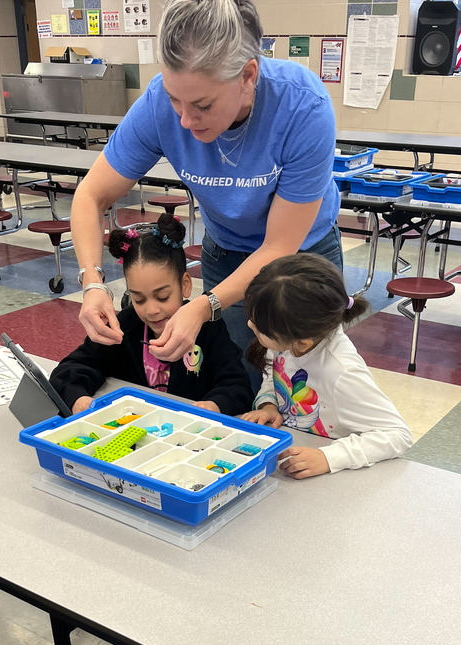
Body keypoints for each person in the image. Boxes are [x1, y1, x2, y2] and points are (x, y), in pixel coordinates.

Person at [69, 0, 342, 383]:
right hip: (227, 250)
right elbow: (90, 196)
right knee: (242, 379)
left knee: (309, 384)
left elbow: (279, 247)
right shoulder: (158, 108)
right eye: (173, 98)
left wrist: (202, 306)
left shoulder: (302, 107)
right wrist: (92, 283)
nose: (184, 119)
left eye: (202, 104)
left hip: (300, 257)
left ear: (248, 75)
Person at [50, 214, 253, 417]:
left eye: (163, 297)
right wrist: (78, 400)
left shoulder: (209, 329)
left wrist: (214, 405)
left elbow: (238, 388)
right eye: (139, 299)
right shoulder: (125, 328)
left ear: (185, 285)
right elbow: (70, 370)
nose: (152, 310)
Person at [241, 254, 413, 479]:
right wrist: (268, 406)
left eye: (259, 328)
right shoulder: (287, 338)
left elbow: (398, 435)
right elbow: (273, 379)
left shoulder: (343, 371)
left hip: (336, 479)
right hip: (290, 457)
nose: (249, 324)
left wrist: (329, 458)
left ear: (301, 343)